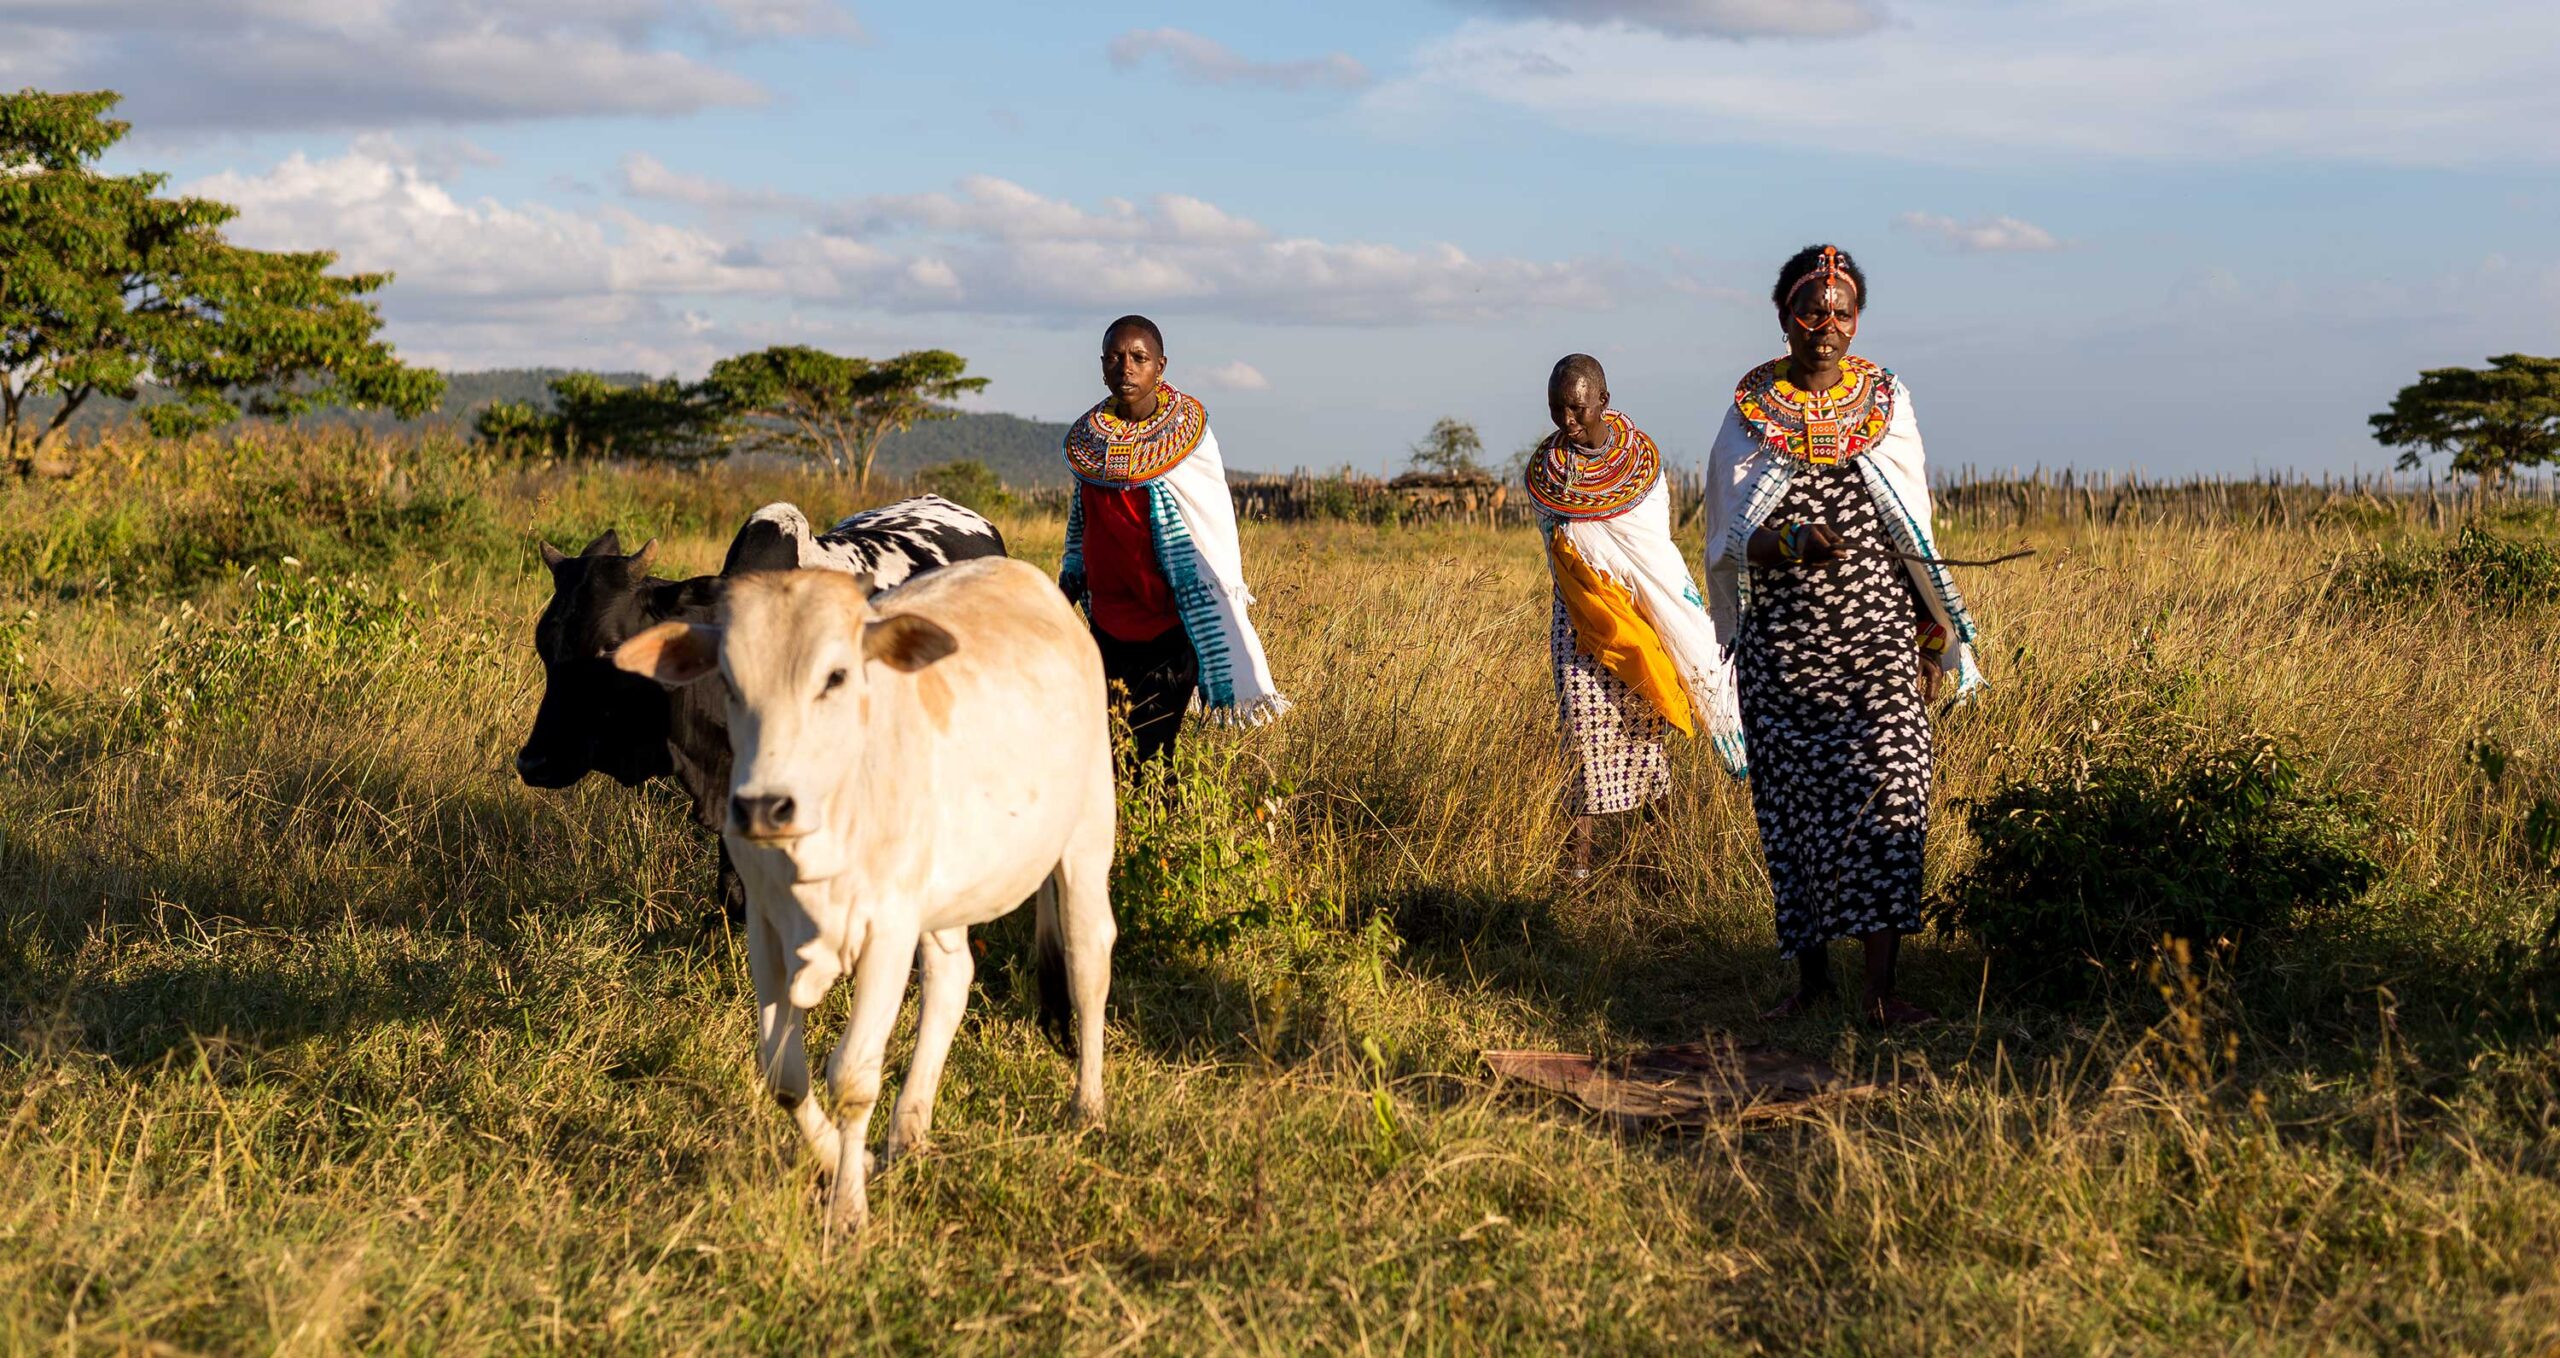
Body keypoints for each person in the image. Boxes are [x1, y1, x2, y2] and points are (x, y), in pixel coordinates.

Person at [1700, 244, 1985, 1027]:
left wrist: (1933, 640)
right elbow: (1726, 542)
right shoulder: (1747, 417)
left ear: (1858, 320)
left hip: (1877, 650)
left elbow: (1913, 532)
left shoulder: (1889, 402)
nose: (1827, 326)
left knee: (1893, 789)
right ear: (1783, 316)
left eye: (1842, 312)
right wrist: (1793, 544)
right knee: (1795, 815)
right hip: (1782, 655)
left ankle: (1883, 993)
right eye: (1811, 310)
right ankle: (1815, 985)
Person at [1525, 354, 1745, 878]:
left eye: (1578, 408)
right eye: (1558, 409)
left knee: (1648, 740)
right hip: (1582, 623)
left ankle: (1658, 868)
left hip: (1642, 620)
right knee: (1581, 737)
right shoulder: (1547, 474)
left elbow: (1652, 553)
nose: (1568, 421)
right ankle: (1577, 869)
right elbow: (1562, 548)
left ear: (1604, 399)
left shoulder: (1640, 466)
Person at [1057, 314, 1288, 773]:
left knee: (1151, 753)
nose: (1126, 367)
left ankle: (1161, 841)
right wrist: (1063, 592)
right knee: (1105, 753)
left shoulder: (1188, 442)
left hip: (1168, 628)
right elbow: (1081, 529)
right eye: (1115, 358)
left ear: (1160, 366)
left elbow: (1210, 524)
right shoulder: (1092, 444)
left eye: (1138, 358)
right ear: (1102, 366)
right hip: (1106, 624)